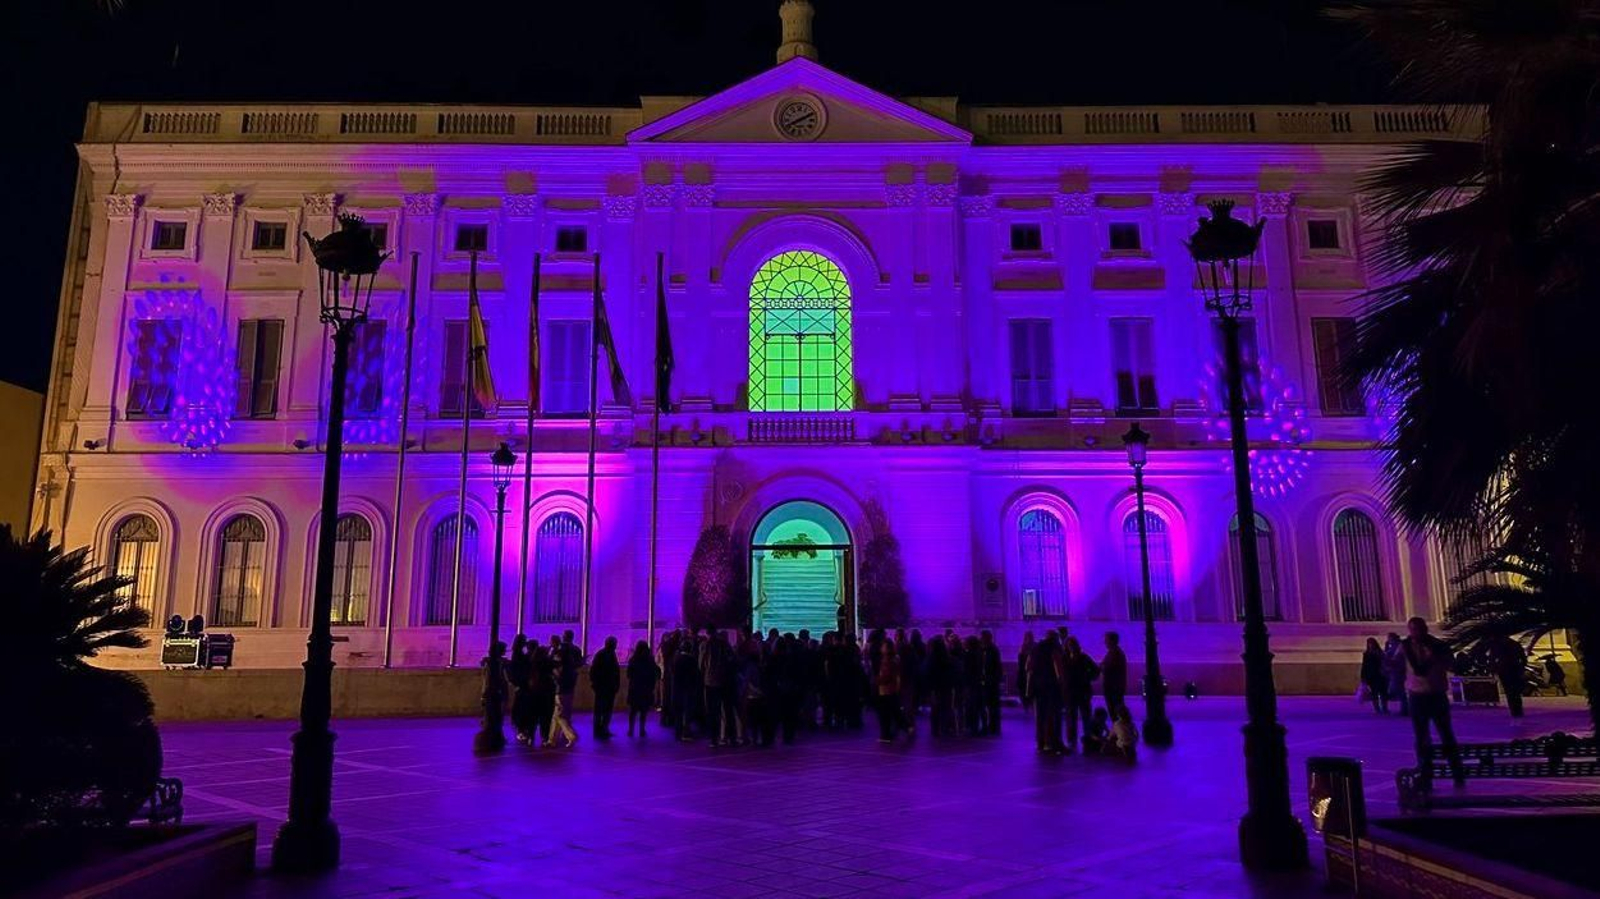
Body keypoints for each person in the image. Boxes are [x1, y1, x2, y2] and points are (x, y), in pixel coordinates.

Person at [1402, 617, 1465, 788]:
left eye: (1419, 629)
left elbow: (1450, 665)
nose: (1416, 633)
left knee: (1446, 734)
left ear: (1425, 629)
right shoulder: (1405, 646)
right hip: (1417, 695)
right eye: (1413, 629)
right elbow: (1399, 665)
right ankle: (1425, 773)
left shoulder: (1438, 646)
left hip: (1436, 694)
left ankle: (1457, 772)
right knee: (1422, 737)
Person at [1062, 637, 1100, 753]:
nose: (1071, 647)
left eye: (1072, 644)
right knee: (1071, 717)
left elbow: (1096, 670)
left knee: (1085, 716)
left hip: (1083, 691)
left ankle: (1087, 738)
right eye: (1069, 645)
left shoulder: (1084, 658)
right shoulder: (1065, 659)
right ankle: (1071, 740)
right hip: (1071, 692)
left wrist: (1087, 678)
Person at [1029, 631, 1064, 754]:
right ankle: (1053, 742)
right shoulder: (1054, 649)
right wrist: (1062, 684)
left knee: (1040, 716)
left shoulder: (1036, 649)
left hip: (1038, 686)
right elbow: (1058, 668)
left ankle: (1041, 742)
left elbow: (1029, 667)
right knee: (1053, 715)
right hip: (1051, 686)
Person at [548, 633, 580, 748]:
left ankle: (571, 735)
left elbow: (556, 673)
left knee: (559, 715)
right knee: (558, 714)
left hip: (560, 689)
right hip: (568, 688)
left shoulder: (558, 658)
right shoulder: (572, 659)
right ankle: (552, 739)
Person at [1486, 634, 1527, 718]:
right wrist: (1522, 668)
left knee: (1509, 691)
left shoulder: (1497, 645)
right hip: (1514, 669)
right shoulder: (1515, 644)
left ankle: (1514, 710)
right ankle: (1518, 710)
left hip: (1504, 670)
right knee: (1515, 691)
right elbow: (1523, 658)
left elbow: (1492, 659)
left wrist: (1493, 670)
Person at [589, 635, 621, 739]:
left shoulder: (601, 654)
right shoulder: (610, 655)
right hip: (608, 687)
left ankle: (598, 729)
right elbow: (615, 672)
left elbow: (593, 671)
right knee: (607, 709)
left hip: (601, 687)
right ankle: (603, 729)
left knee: (600, 709)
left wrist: (594, 683)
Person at [626, 640, 659, 737]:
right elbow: (654, 673)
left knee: (633, 711)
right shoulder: (650, 659)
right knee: (643, 711)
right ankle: (642, 729)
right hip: (646, 689)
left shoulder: (633, 659)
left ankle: (631, 730)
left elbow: (629, 674)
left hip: (635, 688)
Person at [671, 639, 699, 742]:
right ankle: (686, 731)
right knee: (687, 712)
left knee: (678, 711)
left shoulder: (676, 659)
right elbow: (695, 675)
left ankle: (678, 731)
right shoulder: (692, 660)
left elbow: (673, 673)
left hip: (677, 688)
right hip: (688, 689)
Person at [508, 635, 534, 743]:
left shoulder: (517, 654)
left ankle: (521, 730)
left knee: (521, 708)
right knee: (522, 708)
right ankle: (522, 730)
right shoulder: (519, 655)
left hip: (521, 685)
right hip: (523, 685)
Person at [875, 639, 903, 743]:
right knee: (894, 711)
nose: (881, 648)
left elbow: (885, 676)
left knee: (885, 714)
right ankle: (905, 727)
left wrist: (877, 681)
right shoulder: (895, 659)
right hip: (892, 688)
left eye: (883, 646)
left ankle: (886, 735)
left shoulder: (887, 661)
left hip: (885, 689)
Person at [979, 630, 1003, 736]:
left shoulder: (991, 650)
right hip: (990, 680)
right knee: (990, 705)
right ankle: (993, 725)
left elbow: (994, 666)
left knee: (991, 705)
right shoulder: (990, 649)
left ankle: (993, 725)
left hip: (991, 681)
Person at [1101, 632, 1128, 718]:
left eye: (1106, 640)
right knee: (1115, 710)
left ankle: (1118, 729)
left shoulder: (1116, 653)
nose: (1105, 642)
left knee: (1115, 711)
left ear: (1112, 641)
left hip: (1114, 688)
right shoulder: (1112, 652)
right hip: (1113, 688)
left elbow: (1108, 667)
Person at [1383, 632, 1409, 716]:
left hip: (1398, 670)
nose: (1389, 640)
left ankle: (1405, 708)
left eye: (1389, 638)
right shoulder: (1395, 646)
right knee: (1399, 690)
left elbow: (1393, 657)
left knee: (1399, 690)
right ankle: (1404, 708)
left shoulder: (1398, 647)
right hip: (1396, 670)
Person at [1361, 637, 1389, 714]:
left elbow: (1384, 662)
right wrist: (1363, 677)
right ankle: (1377, 709)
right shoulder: (1367, 654)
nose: (1370, 645)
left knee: (1383, 693)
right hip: (1372, 676)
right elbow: (1365, 666)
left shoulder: (1379, 653)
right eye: (1369, 643)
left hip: (1380, 675)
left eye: (1371, 643)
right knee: (1374, 693)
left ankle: (1384, 708)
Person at [1016, 631, 1035, 710]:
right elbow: (1020, 661)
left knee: (1028, 688)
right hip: (1023, 672)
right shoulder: (1023, 648)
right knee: (1023, 688)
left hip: (1030, 672)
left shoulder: (1032, 647)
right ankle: (1026, 704)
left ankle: (1028, 703)